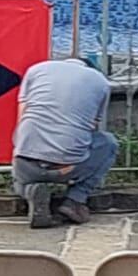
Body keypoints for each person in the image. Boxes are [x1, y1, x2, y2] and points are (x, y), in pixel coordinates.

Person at [13, 55, 117, 228]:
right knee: (108, 143)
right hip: (67, 168)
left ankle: (29, 191)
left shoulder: (36, 69)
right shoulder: (100, 82)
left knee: (20, 167)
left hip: (27, 163)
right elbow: (92, 125)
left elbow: (22, 116)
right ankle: (75, 201)